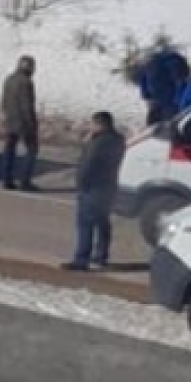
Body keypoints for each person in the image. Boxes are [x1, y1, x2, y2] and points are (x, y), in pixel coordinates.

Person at [64, 111, 127, 271]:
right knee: (102, 222)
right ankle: (101, 255)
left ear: (99, 125)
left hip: (92, 188)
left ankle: (81, 259)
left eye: (92, 124)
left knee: (85, 224)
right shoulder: (118, 140)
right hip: (108, 187)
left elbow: (88, 165)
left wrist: (81, 183)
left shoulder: (97, 143)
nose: (90, 127)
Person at [1, 55, 39, 191]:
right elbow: (27, 105)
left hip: (10, 119)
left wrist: (7, 115)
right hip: (23, 122)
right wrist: (32, 123)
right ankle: (25, 181)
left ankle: (7, 179)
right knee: (32, 149)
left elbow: (4, 101)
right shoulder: (26, 82)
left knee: (9, 150)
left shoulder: (9, 79)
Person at [138, 46, 190, 127]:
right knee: (172, 122)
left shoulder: (150, 63)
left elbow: (143, 80)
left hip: (158, 100)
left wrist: (147, 97)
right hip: (170, 100)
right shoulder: (174, 61)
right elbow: (181, 79)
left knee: (155, 124)